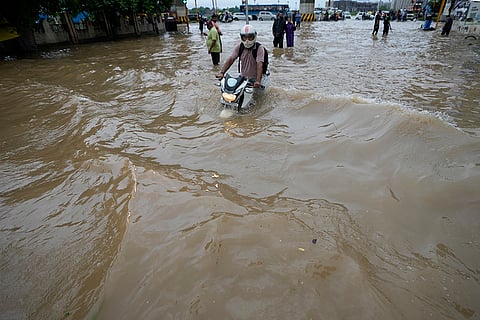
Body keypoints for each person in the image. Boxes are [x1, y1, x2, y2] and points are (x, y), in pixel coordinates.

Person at [216, 25, 266, 89]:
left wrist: (258, 81)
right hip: (243, 78)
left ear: (254, 36)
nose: (247, 40)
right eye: (245, 37)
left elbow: (260, 64)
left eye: (250, 37)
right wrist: (222, 73)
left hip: (255, 80)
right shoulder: (240, 46)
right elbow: (231, 59)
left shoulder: (259, 48)